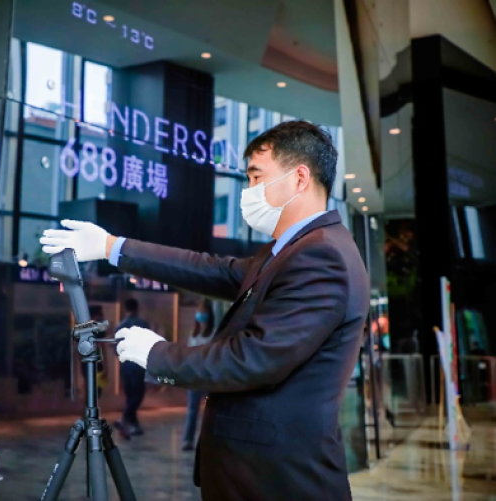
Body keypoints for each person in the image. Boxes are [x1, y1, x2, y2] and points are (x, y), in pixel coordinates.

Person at [40, 120, 370, 501]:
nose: (249, 191)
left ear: (299, 178)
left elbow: (252, 359)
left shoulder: (322, 256)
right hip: (256, 475)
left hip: (279, 481)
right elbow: (211, 270)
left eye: (257, 177)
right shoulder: (291, 250)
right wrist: (111, 246)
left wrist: (157, 354)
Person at [113, 298, 150, 439]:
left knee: (130, 396)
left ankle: (135, 426)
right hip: (138, 365)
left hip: (125, 365)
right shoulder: (143, 325)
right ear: (137, 308)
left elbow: (116, 348)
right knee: (138, 395)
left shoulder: (120, 326)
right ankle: (123, 419)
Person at [182, 298, 214, 451]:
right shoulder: (193, 333)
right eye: (199, 312)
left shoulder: (213, 333)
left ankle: (210, 440)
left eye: (203, 312)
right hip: (193, 376)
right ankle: (187, 440)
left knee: (210, 412)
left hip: (208, 377)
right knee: (192, 411)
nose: (200, 314)